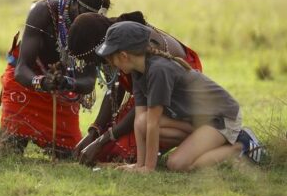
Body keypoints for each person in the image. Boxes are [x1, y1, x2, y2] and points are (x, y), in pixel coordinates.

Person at [95, 21, 264, 172]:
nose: (111, 64)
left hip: (221, 118)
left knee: (177, 164)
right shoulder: (138, 72)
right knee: (142, 122)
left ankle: (241, 146)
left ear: (124, 56)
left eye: (111, 58)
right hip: (196, 120)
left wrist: (149, 168)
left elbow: (153, 123)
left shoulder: (158, 70)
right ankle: (204, 143)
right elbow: (140, 120)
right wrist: (139, 165)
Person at [67, 12, 200, 166]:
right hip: (150, 95)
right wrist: (94, 132)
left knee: (119, 151)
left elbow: (145, 108)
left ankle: (200, 136)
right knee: (107, 149)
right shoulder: (118, 45)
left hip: (175, 94)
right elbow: (118, 90)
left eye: (89, 58)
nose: (91, 64)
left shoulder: (132, 49)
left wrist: (101, 141)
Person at [0, 0, 111, 157]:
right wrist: (42, 82)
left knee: (69, 155)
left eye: (95, 16)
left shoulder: (95, 27)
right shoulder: (45, 10)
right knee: (9, 150)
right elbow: (22, 69)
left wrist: (67, 83)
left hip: (62, 90)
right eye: (85, 13)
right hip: (26, 84)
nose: (90, 20)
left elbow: (88, 82)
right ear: (73, 3)